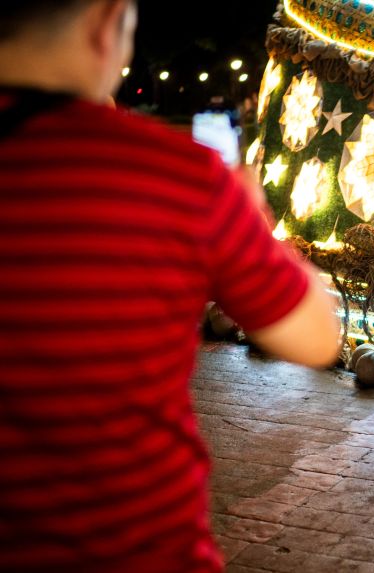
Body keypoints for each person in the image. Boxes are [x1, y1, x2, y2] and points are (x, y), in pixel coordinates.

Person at [0, 1, 342, 571]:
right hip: (135, 548)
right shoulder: (174, 175)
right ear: (106, 23)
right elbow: (316, 339)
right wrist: (252, 219)